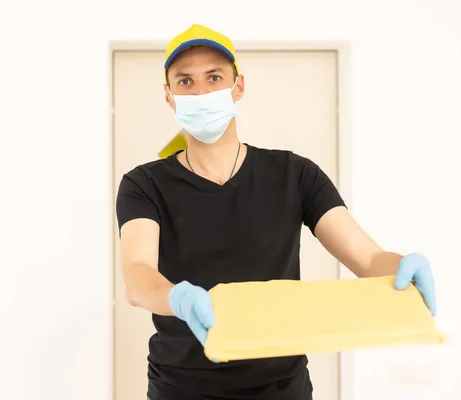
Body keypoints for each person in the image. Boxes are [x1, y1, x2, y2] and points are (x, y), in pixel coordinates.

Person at [115, 24, 437, 400]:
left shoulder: (295, 175)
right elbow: (138, 277)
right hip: (180, 385)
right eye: (185, 82)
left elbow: (366, 257)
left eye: (214, 77)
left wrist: (399, 267)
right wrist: (178, 299)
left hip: (280, 387)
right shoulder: (144, 184)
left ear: (239, 87)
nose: (201, 92)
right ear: (169, 97)